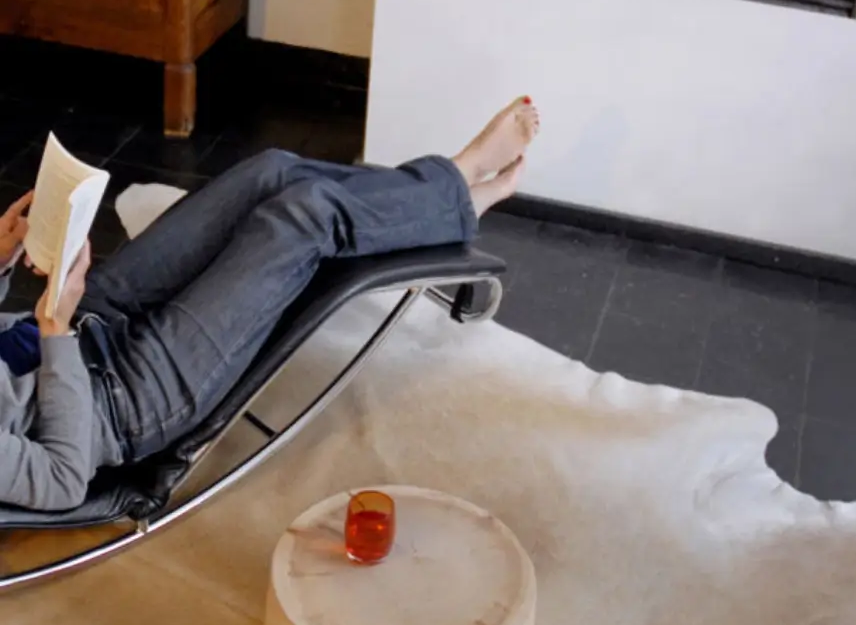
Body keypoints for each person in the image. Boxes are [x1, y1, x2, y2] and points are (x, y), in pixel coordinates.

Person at [0, 97, 540, 512]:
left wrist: (2, 265)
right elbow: (62, 479)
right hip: (127, 393)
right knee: (304, 215)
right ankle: (458, 187)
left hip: (90, 319)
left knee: (272, 170)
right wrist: (55, 333)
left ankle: (448, 195)